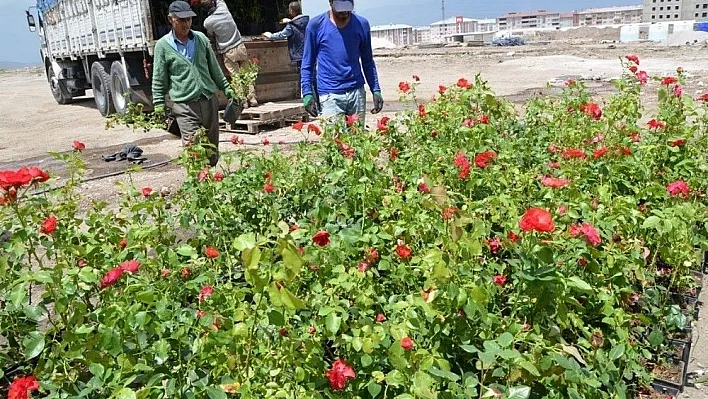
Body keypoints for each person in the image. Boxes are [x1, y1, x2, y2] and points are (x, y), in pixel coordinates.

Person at [152, 0, 236, 167]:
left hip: (208, 101)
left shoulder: (201, 39)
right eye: (181, 20)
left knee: (211, 150)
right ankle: (198, 182)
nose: (186, 23)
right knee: (193, 150)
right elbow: (159, 77)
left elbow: (214, 68)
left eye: (189, 19)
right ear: (171, 19)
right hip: (185, 106)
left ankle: (210, 184)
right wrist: (158, 103)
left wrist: (226, 87)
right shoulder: (162, 46)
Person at [300, 0, 383, 125]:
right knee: (334, 141)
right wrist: (307, 93)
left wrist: (375, 90)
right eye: (340, 7)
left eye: (347, 7)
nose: (344, 12)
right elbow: (307, 63)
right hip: (329, 95)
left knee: (358, 141)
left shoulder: (361, 24)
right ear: (330, 2)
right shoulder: (316, 26)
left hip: (356, 93)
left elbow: (368, 61)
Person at [201, 0, 258, 107]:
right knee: (247, 75)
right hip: (240, 46)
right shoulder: (224, 9)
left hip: (228, 51)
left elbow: (211, 36)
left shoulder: (208, 22)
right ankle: (253, 98)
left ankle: (243, 101)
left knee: (235, 77)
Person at [263, 2, 309, 72]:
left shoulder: (291, 25)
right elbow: (300, 25)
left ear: (291, 10)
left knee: (303, 77)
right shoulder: (308, 21)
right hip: (310, 53)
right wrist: (290, 21)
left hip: (299, 56)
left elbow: (281, 35)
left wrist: (270, 35)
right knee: (312, 76)